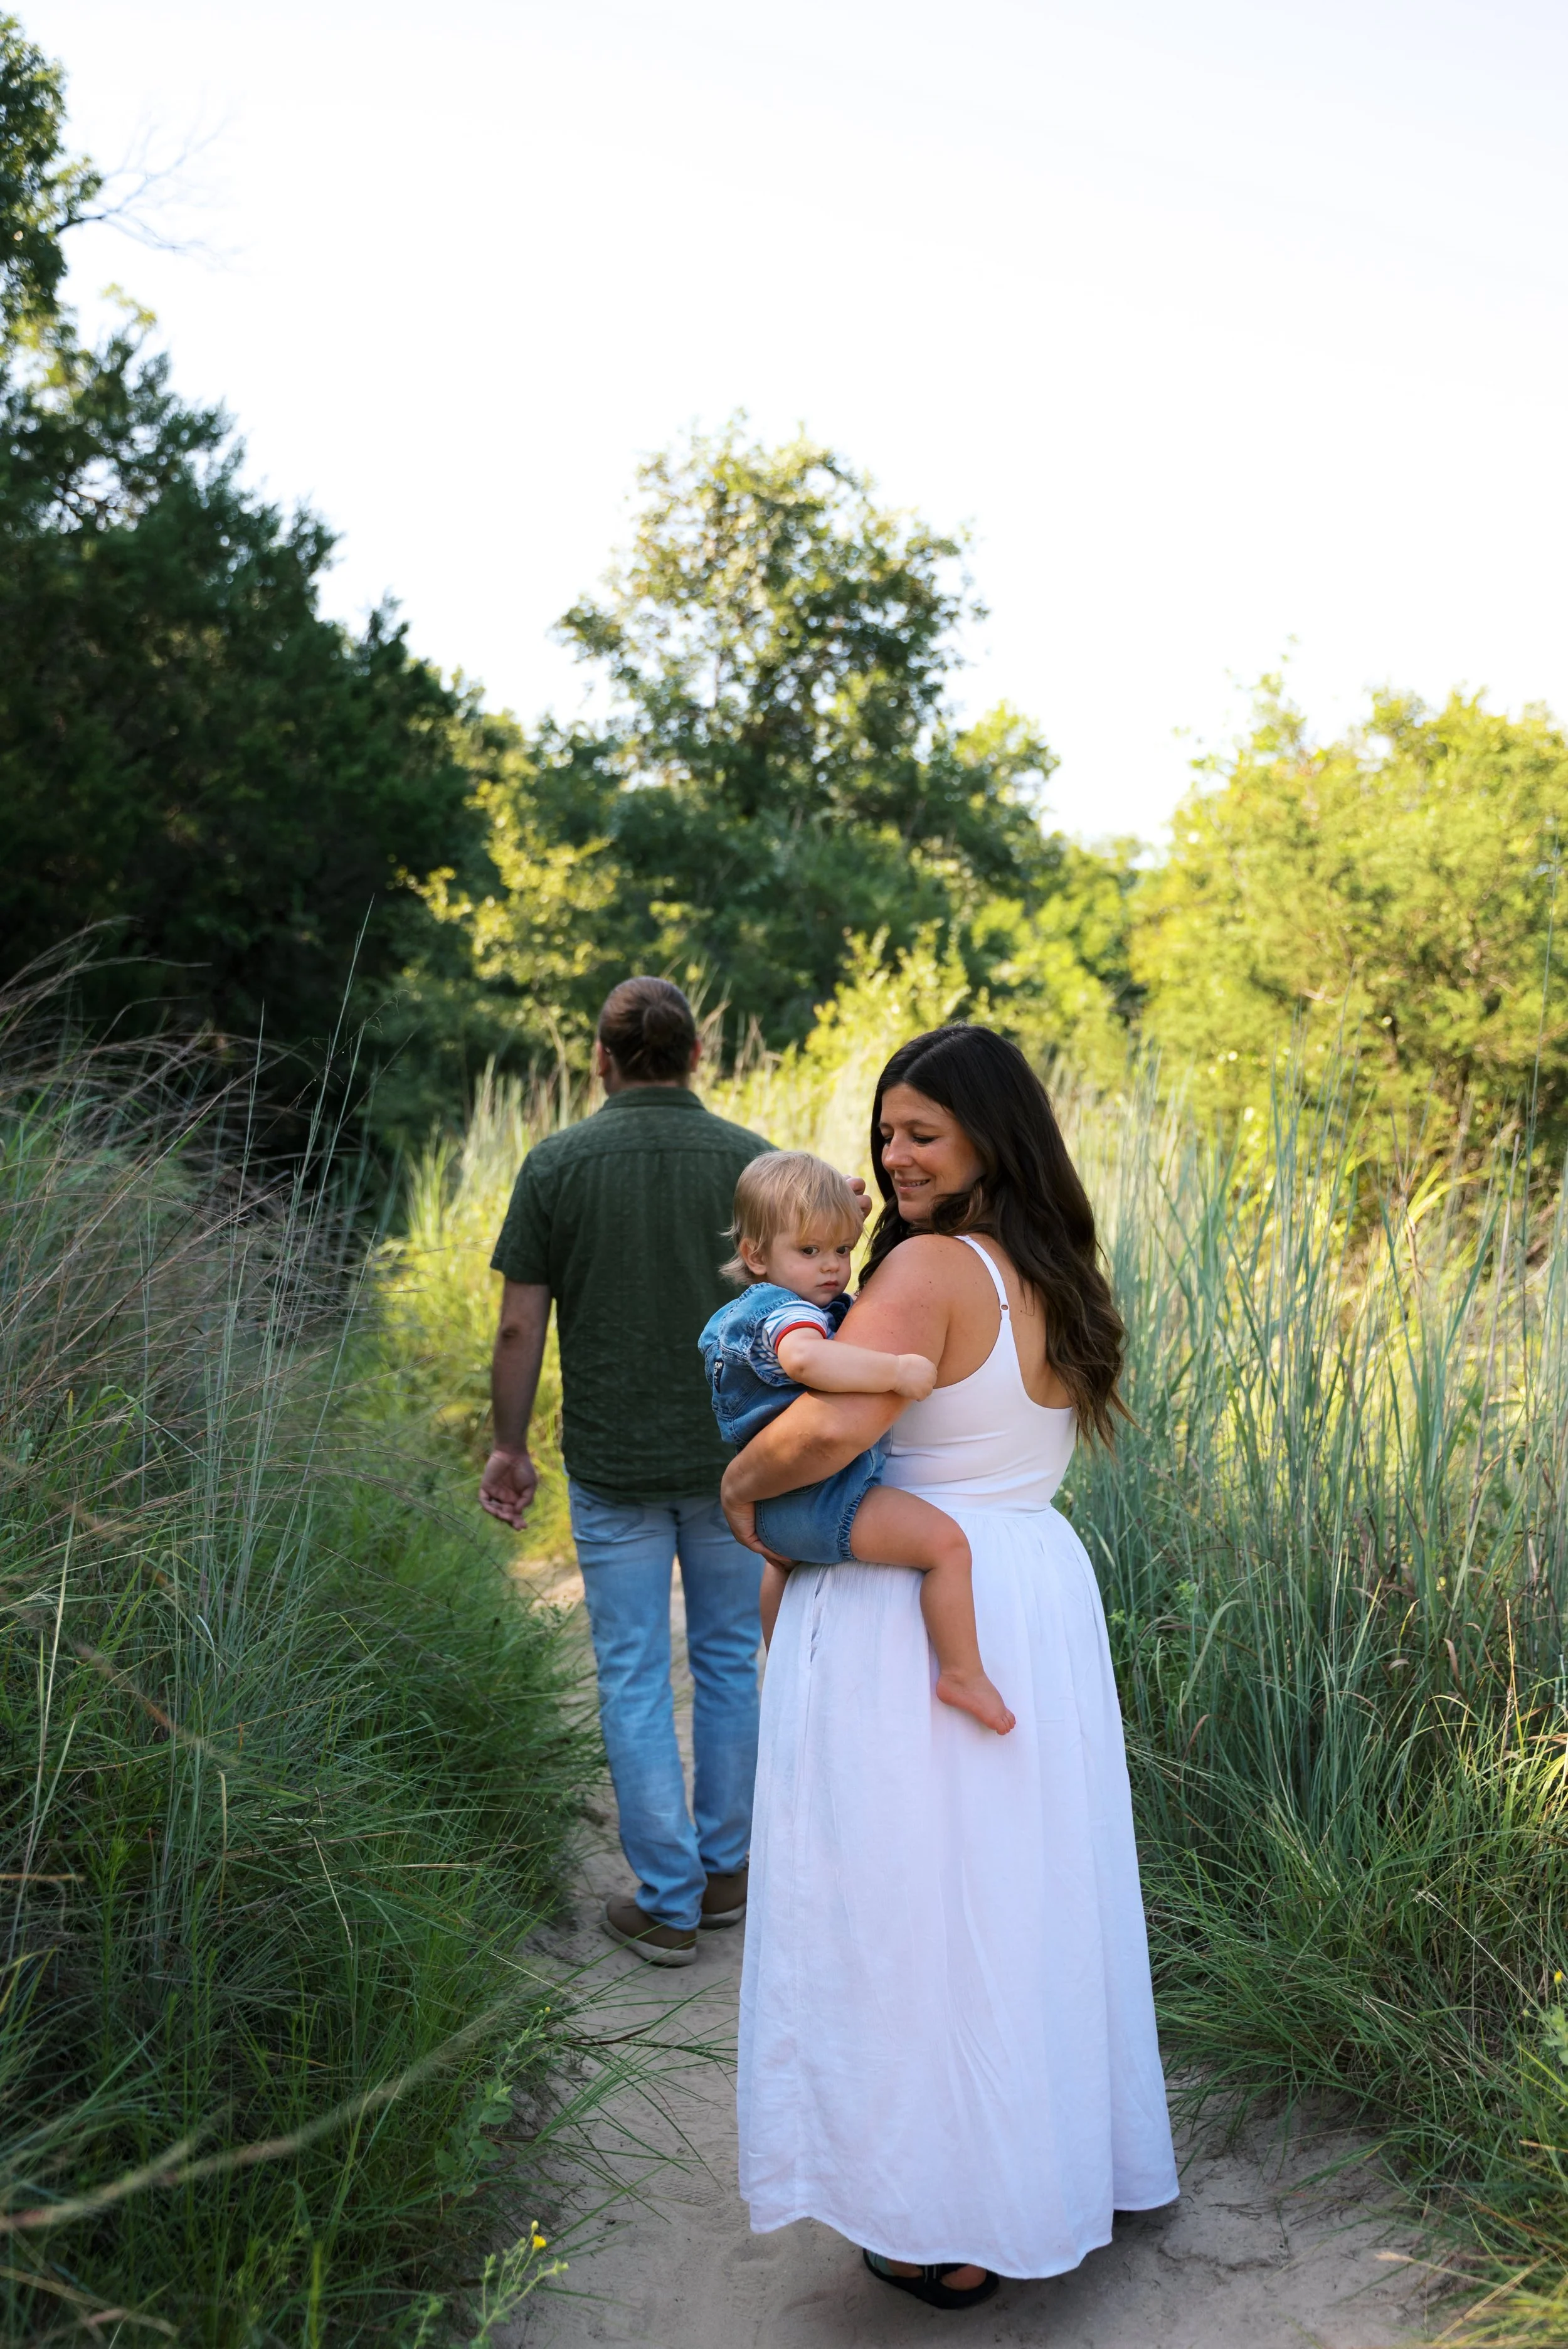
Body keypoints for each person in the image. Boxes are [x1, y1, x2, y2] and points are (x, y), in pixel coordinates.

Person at [723, 1025, 1178, 2308]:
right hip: (1022, 1581)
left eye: (920, 1130)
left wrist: (736, 1486)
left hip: (901, 1609)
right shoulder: (1048, 1268)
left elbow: (829, 1428)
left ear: (989, 1134)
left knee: (907, 1912)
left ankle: (944, 2220)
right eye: (883, 1131)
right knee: (1019, 1902)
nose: (892, 1153)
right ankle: (1044, 2171)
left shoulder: (924, 1266)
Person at [480, 976, 774, 1969]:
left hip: (614, 1462)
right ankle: (728, 1871)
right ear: (697, 1056)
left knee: (636, 1672)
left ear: (600, 1059)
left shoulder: (558, 1163)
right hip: (739, 1457)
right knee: (732, 1656)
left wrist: (508, 1446)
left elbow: (523, 1321)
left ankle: (668, 1902)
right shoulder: (750, 1163)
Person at [698, 1150, 1015, 1734]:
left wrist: (840, 1219)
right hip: (820, 1496)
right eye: (811, 1251)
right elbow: (806, 1357)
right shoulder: (781, 1312)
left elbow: (816, 1257)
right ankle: (963, 1672)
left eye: (843, 1250)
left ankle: (784, 1663)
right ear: (755, 1256)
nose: (832, 1268)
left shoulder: (778, 1294)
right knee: (945, 1545)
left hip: (782, 1506)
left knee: (782, 1569)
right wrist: (895, 1372)